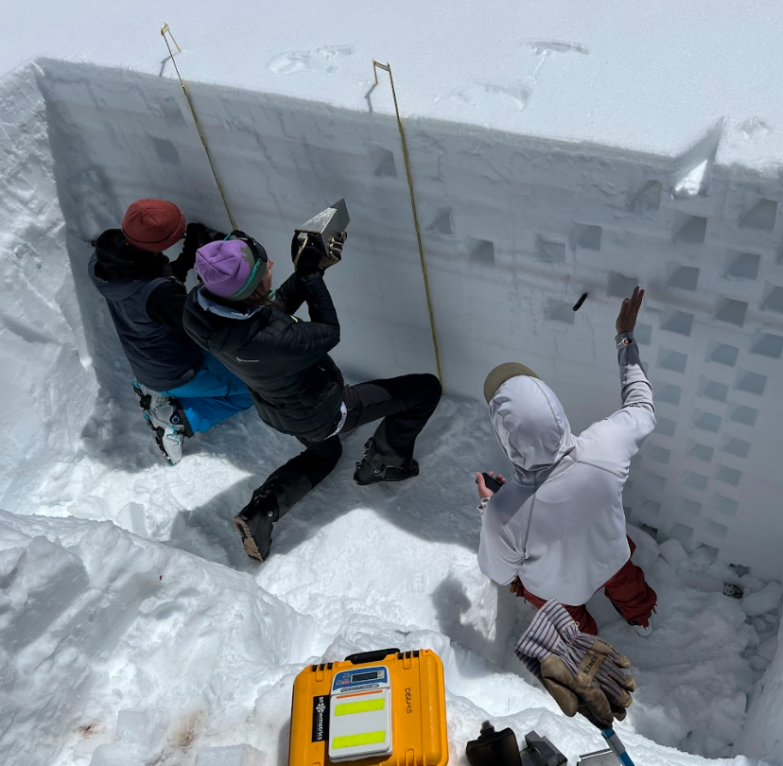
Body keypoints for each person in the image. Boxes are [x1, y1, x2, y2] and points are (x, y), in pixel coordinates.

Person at [182, 229, 441, 562]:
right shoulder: (272, 340)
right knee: (425, 390)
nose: (272, 263)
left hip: (277, 411)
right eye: (265, 269)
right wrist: (308, 276)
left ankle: (262, 511)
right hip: (323, 412)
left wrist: (313, 271)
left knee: (325, 455)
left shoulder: (200, 312)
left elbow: (268, 311)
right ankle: (385, 463)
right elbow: (327, 333)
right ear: (253, 289)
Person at [476, 287, 658, 636]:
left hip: (559, 592)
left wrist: (490, 506)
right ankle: (642, 619)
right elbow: (641, 406)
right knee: (629, 585)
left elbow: (500, 572)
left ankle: (589, 650)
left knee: (569, 623)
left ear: (504, 435)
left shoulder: (504, 511)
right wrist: (625, 338)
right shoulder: (604, 446)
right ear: (554, 408)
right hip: (612, 558)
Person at [89, 198, 253, 464]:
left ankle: (158, 391)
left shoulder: (103, 261)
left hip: (147, 364)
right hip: (178, 372)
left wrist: (190, 252)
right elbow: (206, 325)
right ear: (161, 244)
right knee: (254, 387)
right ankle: (178, 418)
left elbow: (158, 282)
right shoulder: (158, 295)